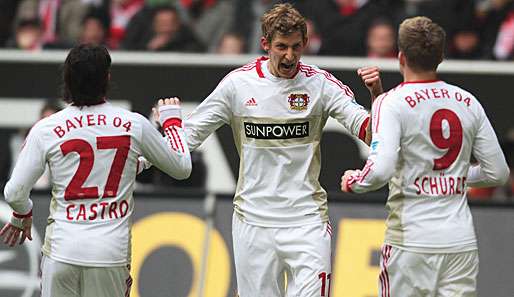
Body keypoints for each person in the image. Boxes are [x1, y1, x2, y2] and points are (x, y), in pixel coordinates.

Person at [184, 3, 382, 296]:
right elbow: (188, 136)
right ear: (265, 44)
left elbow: (371, 134)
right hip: (253, 222)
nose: (289, 56)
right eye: (281, 47)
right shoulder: (238, 85)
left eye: (296, 47)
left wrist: (376, 95)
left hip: (306, 222)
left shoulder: (320, 84)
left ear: (304, 44)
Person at [0, 44, 191, 297]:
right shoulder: (133, 124)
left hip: (62, 251)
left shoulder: (46, 129)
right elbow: (181, 168)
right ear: (107, 78)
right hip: (109, 253)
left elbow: (14, 192)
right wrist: (173, 124)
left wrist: (22, 214)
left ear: (67, 79)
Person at [341, 16, 510, 297]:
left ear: (400, 57)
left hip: (411, 242)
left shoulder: (391, 101)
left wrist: (354, 180)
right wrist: (452, 177)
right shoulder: (467, 101)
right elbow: (498, 173)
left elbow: (380, 171)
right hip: (460, 243)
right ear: (441, 57)